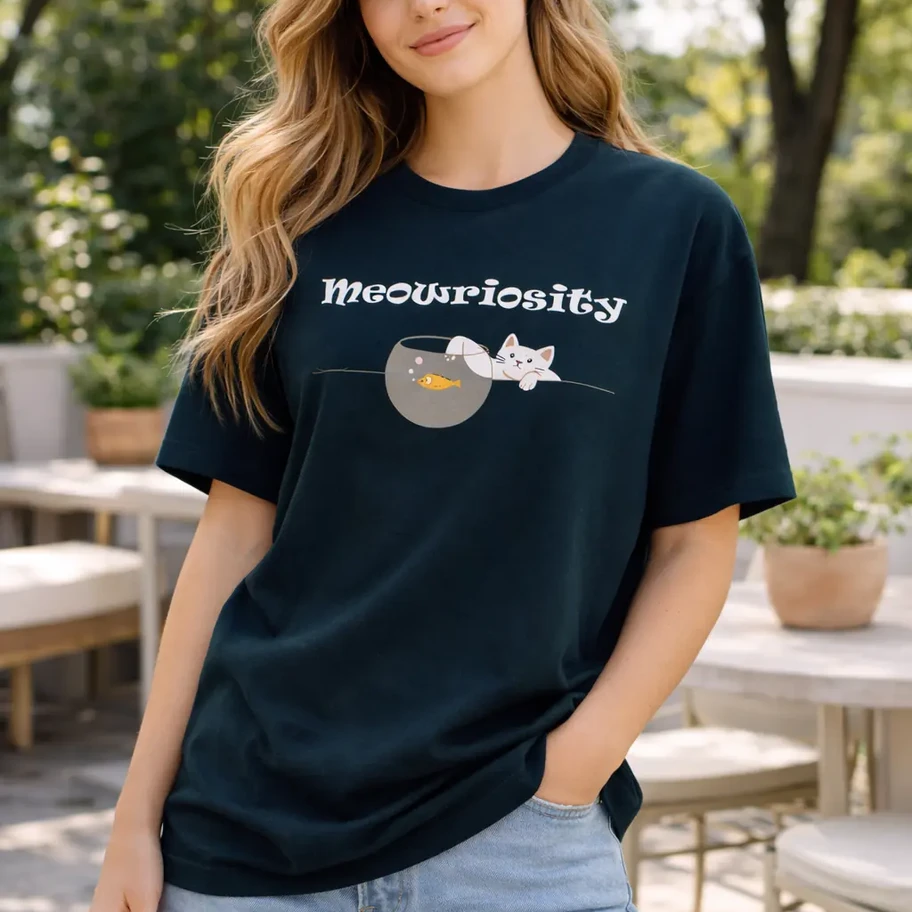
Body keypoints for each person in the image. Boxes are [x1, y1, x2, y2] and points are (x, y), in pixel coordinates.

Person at [91, 1, 796, 911]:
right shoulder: (292, 222)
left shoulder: (674, 226)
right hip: (249, 830)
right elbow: (231, 541)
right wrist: (135, 818)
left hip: (515, 841)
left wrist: (566, 779)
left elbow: (695, 546)